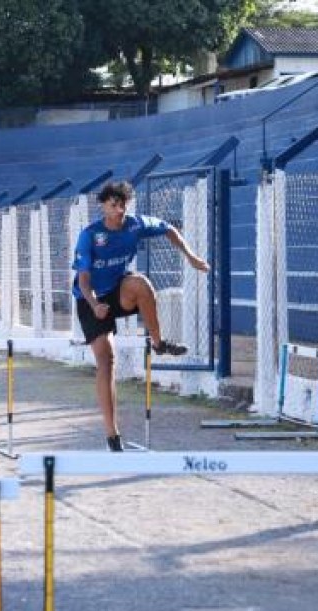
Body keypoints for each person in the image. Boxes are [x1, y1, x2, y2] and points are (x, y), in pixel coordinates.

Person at [72, 180, 210, 452]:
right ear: (103, 207)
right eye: (114, 205)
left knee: (142, 284)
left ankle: (158, 343)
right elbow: (83, 280)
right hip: (90, 299)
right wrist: (95, 304)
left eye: (123, 204)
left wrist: (191, 257)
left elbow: (168, 229)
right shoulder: (90, 235)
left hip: (118, 290)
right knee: (106, 360)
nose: (119, 210)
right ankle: (112, 435)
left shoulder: (135, 224)